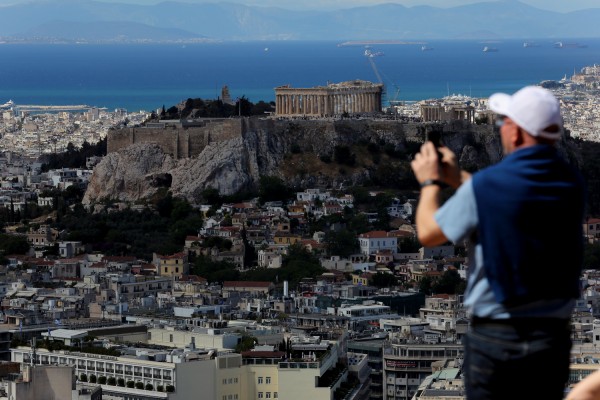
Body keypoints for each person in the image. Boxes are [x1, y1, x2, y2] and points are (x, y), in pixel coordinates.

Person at [410, 85, 586, 400]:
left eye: (504, 122)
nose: (501, 127)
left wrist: (430, 182)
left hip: (499, 337)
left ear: (516, 134)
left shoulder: (489, 186)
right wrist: (461, 180)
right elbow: (508, 198)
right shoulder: (569, 183)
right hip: (552, 337)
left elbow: (429, 233)